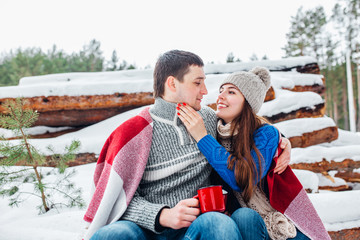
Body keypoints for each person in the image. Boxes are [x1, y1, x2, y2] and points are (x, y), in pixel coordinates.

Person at [82, 50, 292, 240]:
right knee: (111, 235)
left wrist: (281, 140)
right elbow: (115, 201)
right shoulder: (134, 133)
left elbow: (244, 127)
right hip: (143, 229)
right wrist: (162, 215)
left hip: (195, 228)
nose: (205, 91)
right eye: (197, 83)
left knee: (218, 224)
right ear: (172, 84)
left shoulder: (208, 120)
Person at [177, 67, 331, 240]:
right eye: (221, 90)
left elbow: (242, 179)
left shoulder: (263, 134)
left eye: (231, 92)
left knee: (245, 216)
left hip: (280, 228)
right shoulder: (214, 133)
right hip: (238, 225)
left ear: (248, 102)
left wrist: (202, 137)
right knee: (243, 216)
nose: (221, 95)